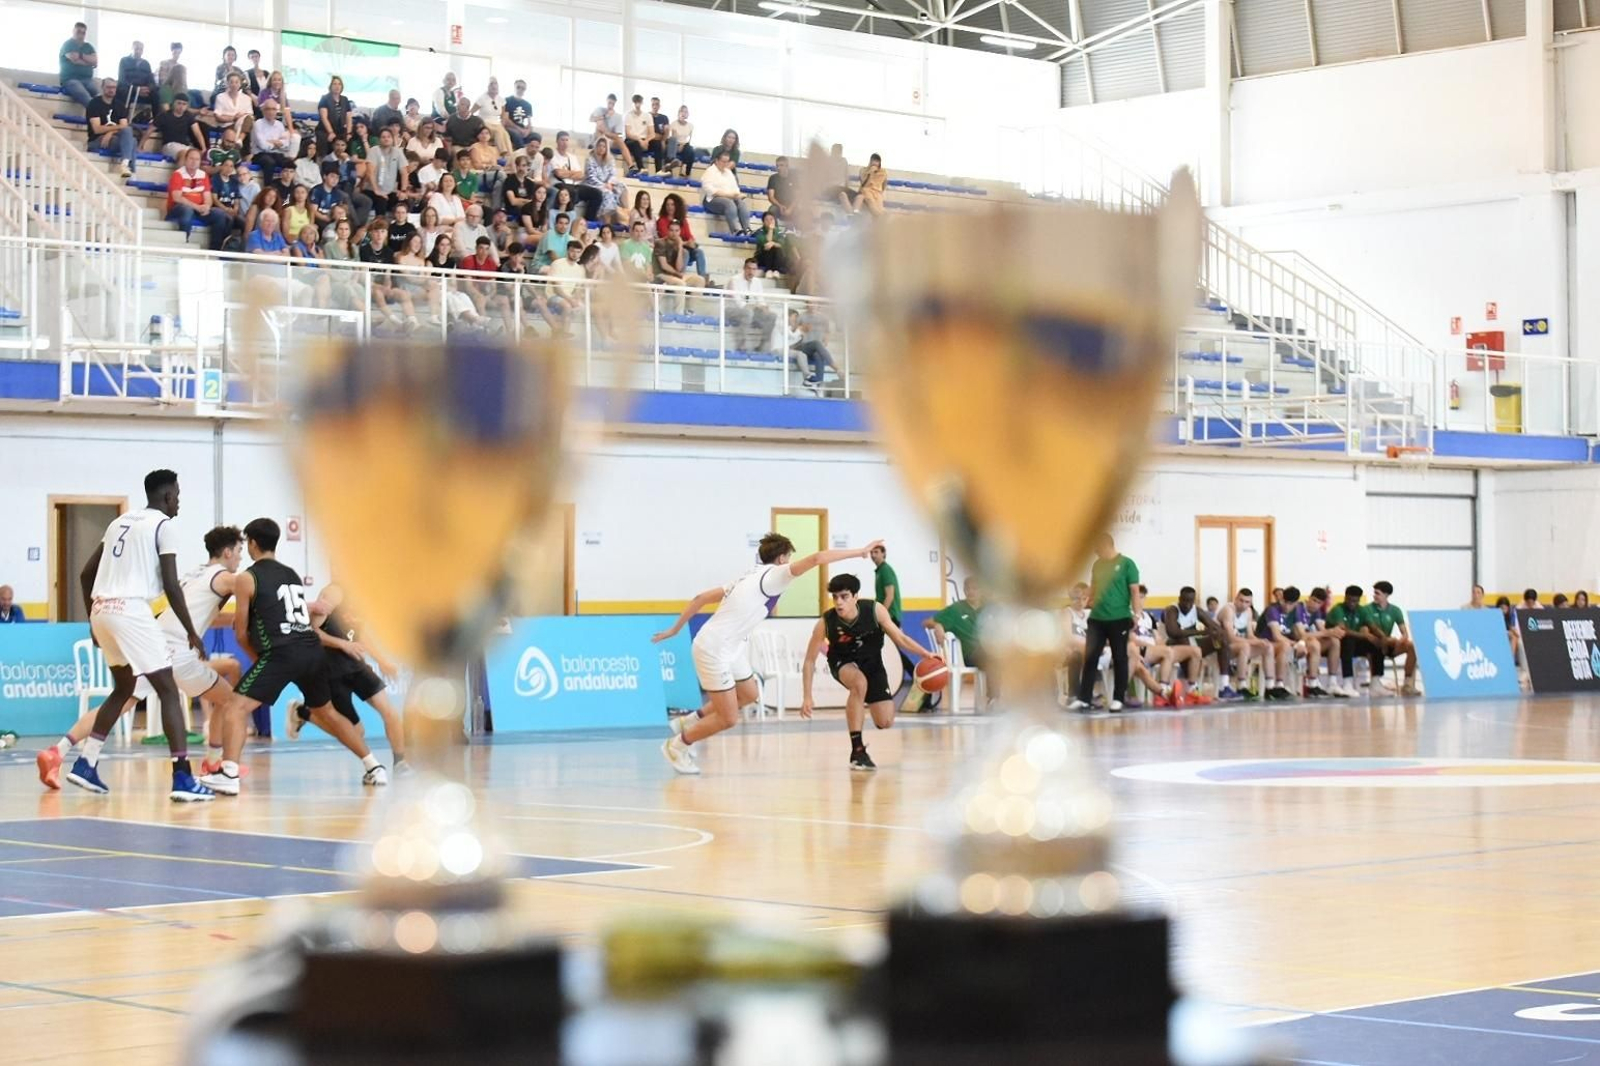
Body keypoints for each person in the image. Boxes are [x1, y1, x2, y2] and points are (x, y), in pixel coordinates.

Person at [651, 534, 883, 775]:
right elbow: (817, 558)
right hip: (714, 649)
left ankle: (689, 721)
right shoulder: (775, 576)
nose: (791, 562)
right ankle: (676, 746)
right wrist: (859, 552)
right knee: (728, 718)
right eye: (789, 557)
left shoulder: (748, 576)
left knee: (750, 693)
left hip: (731, 647)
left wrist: (675, 629)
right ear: (782, 558)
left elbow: (700, 599)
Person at [38, 526, 248, 790]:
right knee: (230, 700)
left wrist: (227, 620)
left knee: (121, 702)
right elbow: (252, 586)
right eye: (240, 551)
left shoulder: (193, 575)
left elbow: (202, 614)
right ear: (228, 551)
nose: (241, 558)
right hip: (178, 653)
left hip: (153, 644)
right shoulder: (226, 577)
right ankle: (214, 765)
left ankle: (57, 751)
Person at [207, 518, 388, 794]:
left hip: (281, 652)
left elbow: (241, 632)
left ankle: (229, 774)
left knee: (234, 706)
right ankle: (374, 766)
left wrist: (259, 659)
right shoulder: (291, 574)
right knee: (326, 711)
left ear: (253, 543)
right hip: (312, 651)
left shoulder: (247, 578)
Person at [62, 470, 213, 800]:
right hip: (131, 611)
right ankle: (183, 778)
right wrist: (191, 631)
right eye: (178, 495)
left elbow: (87, 574)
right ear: (167, 496)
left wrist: (93, 617)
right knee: (169, 690)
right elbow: (172, 585)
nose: (179, 502)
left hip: (102, 609)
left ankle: (86, 763)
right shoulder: (164, 526)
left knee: (125, 687)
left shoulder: (119, 523)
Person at [800, 573, 932, 771]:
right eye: (835, 597)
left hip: (872, 663)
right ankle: (857, 750)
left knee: (885, 721)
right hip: (842, 662)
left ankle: (865, 707)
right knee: (859, 683)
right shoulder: (826, 622)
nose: (838, 602)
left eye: (844, 596)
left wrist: (925, 653)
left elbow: (900, 639)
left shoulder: (874, 610)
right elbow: (809, 660)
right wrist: (807, 696)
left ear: (855, 597)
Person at [283, 586, 408, 774]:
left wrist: (382, 661)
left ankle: (400, 763)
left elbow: (362, 633)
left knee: (390, 712)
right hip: (332, 671)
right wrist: (343, 644)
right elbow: (311, 631)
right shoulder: (333, 593)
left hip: (357, 666)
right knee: (356, 734)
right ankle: (303, 713)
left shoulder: (364, 593)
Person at [1068, 534, 1139, 712]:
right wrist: (1083, 597)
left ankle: (1118, 698)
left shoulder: (1127, 564)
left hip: (1119, 618)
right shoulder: (1097, 565)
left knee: (1120, 657)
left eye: (1097, 548)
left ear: (1106, 545)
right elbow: (1093, 589)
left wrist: (1136, 615)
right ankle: (1084, 698)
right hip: (1097, 618)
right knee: (1090, 657)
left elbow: (1135, 592)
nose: (1095, 552)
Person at [913, 576, 989, 712]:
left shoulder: (989, 608)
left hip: (990, 652)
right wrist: (937, 625)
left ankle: (1004, 700)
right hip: (971, 654)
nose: (971, 591)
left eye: (975, 588)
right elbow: (926, 622)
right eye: (968, 588)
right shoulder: (956, 610)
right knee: (993, 660)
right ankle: (994, 699)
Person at [1160, 585, 1237, 699]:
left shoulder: (1197, 610)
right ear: (1179, 599)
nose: (1187, 605)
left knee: (1222, 640)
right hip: (1173, 646)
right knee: (1183, 639)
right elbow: (1173, 632)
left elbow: (1215, 628)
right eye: (1185, 601)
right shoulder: (1172, 610)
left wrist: (1216, 633)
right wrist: (1198, 632)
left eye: (1190, 601)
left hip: (1193, 645)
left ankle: (1224, 686)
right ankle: (1191, 687)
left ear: (1194, 600)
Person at [166, 148, 231, 250]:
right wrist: (197, 207)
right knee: (187, 210)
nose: (194, 162)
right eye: (191, 158)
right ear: (186, 160)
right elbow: (177, 197)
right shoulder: (177, 174)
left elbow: (208, 198)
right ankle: (183, 245)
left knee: (219, 214)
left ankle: (214, 250)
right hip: (178, 208)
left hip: (197, 209)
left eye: (197, 159)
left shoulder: (203, 175)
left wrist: (206, 206)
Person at [1364, 580, 1419, 696]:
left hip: (1390, 644)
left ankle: (1408, 683)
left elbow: (1404, 632)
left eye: (1377, 593)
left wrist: (1401, 641)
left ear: (1386, 595)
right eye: (1374, 593)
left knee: (1412, 646)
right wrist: (1389, 640)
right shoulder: (1367, 609)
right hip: (1374, 644)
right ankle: (1376, 683)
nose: (1374, 596)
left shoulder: (1395, 610)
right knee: (1382, 642)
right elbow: (1367, 632)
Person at [1300, 587, 1353, 697]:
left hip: (1309, 642)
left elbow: (1322, 630)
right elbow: (1302, 635)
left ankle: (1332, 682)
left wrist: (1335, 632)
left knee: (1334, 641)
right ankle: (1312, 683)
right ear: (1308, 598)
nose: (1315, 604)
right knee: (1315, 643)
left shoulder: (1317, 613)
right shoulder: (1299, 608)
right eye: (1314, 600)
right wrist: (1328, 632)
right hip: (1298, 642)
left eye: (1319, 603)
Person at [1328, 585, 1381, 692]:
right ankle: (1347, 683)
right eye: (1350, 600)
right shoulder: (1338, 609)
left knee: (1376, 644)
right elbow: (1343, 631)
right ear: (1345, 597)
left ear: (1359, 600)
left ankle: (1376, 683)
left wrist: (1383, 638)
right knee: (1349, 640)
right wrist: (1365, 636)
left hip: (1354, 643)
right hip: (1335, 644)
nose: (1352, 603)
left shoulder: (1361, 610)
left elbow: (1373, 627)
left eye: (1355, 601)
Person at [1255, 587, 1304, 700]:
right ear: (1281, 599)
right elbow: (1276, 636)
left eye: (1290, 604)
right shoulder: (1272, 609)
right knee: (1285, 645)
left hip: (1281, 645)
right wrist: (1296, 645)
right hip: (1265, 642)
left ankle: (1280, 685)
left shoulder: (1296, 610)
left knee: (1291, 647)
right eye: (1284, 602)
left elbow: (1301, 632)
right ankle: (1274, 685)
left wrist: (1302, 643)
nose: (1287, 606)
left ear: (1296, 603)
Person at [86, 78, 137, 179]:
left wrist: (110, 133)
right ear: (102, 88)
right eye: (108, 87)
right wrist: (115, 130)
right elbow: (97, 129)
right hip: (97, 140)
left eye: (114, 87)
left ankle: (125, 165)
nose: (111, 90)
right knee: (132, 141)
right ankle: (131, 171)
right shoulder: (94, 103)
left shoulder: (120, 105)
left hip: (112, 139)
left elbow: (125, 127)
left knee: (131, 137)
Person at [725, 258, 776, 351]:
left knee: (772, 316)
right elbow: (739, 303)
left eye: (754, 269)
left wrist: (764, 307)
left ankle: (763, 345)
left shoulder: (757, 282)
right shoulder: (734, 280)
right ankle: (741, 344)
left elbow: (761, 300)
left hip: (750, 310)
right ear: (744, 268)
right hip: (731, 310)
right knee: (748, 312)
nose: (751, 271)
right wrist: (756, 306)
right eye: (749, 268)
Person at [700, 152, 753, 235]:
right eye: (723, 161)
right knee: (729, 203)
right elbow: (709, 190)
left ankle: (747, 229)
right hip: (712, 200)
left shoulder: (728, 172)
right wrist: (728, 195)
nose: (725, 164)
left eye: (727, 162)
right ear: (717, 161)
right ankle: (735, 230)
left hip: (729, 198)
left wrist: (737, 195)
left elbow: (735, 189)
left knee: (741, 203)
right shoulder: (710, 171)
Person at [146, 94, 205, 160]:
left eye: (184, 104)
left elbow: (198, 133)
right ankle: (180, 170)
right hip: (169, 145)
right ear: (174, 103)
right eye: (179, 103)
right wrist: (140, 147)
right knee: (183, 154)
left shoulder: (189, 116)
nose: (181, 106)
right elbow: (149, 130)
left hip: (185, 145)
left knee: (197, 156)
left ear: (187, 106)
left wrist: (204, 149)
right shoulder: (164, 115)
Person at [59, 21, 98, 107]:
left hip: (87, 80)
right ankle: (96, 115)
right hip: (70, 80)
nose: (81, 35)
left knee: (99, 96)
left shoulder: (89, 46)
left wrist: (80, 55)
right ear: (73, 31)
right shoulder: (68, 44)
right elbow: (74, 59)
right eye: (78, 32)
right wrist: (88, 62)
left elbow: (95, 61)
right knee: (86, 97)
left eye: (83, 33)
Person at [117, 41, 155, 115]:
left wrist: (148, 89)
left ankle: (155, 122)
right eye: (136, 49)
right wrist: (136, 89)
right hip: (130, 88)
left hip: (144, 90)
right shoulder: (124, 61)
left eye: (140, 49)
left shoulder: (146, 64)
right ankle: (122, 118)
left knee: (156, 94)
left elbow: (151, 80)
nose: (138, 51)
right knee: (122, 90)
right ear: (132, 49)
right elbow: (122, 79)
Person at [317, 76, 353, 153]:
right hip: (325, 130)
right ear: (331, 86)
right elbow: (324, 118)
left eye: (339, 84)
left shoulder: (345, 99)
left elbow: (349, 118)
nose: (337, 86)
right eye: (334, 84)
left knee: (349, 140)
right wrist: (330, 132)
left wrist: (349, 133)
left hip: (340, 129)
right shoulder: (325, 98)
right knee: (327, 140)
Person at [623, 94, 652, 175]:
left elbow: (652, 133)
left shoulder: (647, 116)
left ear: (642, 103)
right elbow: (628, 134)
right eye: (635, 102)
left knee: (657, 145)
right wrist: (639, 140)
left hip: (643, 140)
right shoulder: (628, 115)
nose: (637, 105)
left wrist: (646, 141)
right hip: (631, 140)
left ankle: (660, 171)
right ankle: (641, 168)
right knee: (636, 143)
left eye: (639, 102)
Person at [503, 80, 535, 149]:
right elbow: (506, 119)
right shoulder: (507, 100)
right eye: (518, 87)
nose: (520, 90)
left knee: (536, 136)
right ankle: (521, 156)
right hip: (510, 128)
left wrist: (527, 131)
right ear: (514, 88)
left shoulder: (528, 105)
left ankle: (531, 156)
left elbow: (529, 123)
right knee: (516, 135)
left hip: (522, 129)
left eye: (523, 88)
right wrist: (520, 130)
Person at [765, 156, 796, 225]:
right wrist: (780, 206)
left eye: (781, 165)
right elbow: (771, 197)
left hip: (792, 206)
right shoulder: (773, 178)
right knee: (772, 211)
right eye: (777, 166)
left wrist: (790, 209)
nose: (779, 168)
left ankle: (800, 233)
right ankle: (774, 232)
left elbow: (798, 197)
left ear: (787, 166)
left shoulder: (794, 178)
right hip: (778, 206)